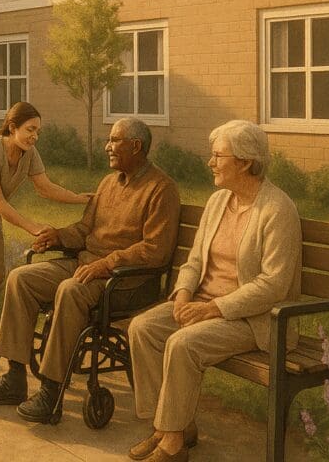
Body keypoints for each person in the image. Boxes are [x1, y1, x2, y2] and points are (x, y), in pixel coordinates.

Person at [0, 117, 181, 424]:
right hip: (87, 265)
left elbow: (154, 251)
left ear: (136, 146)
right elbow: (84, 229)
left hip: (126, 282)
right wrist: (57, 235)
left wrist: (107, 264)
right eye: (108, 140)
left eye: (114, 140)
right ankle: (14, 379)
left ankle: (51, 393)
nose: (107, 146)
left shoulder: (161, 189)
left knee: (70, 290)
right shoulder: (109, 182)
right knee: (21, 278)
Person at [126, 120, 301, 462]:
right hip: (206, 304)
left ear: (245, 162)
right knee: (143, 328)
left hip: (255, 319)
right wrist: (182, 295)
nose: (210, 162)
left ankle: (173, 448)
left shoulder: (277, 210)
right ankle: (170, 428)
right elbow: (194, 260)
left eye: (218, 156)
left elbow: (273, 284)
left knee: (182, 343)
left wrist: (213, 308)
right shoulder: (219, 201)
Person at [0, 102, 90, 372]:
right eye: (30, 129)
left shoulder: (29, 153)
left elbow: (45, 188)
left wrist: (81, 199)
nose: (35, 136)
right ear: (12, 127)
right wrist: (32, 227)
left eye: (38, 131)